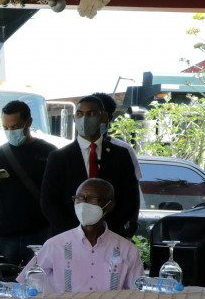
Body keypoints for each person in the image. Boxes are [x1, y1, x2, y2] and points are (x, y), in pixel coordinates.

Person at [40, 94, 140, 239]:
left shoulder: (120, 155)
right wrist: (77, 232)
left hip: (109, 236)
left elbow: (129, 198)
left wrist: (103, 231)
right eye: (80, 114)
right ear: (74, 118)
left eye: (91, 113)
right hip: (68, 237)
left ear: (103, 117)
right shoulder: (59, 157)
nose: (84, 119)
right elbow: (49, 202)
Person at [20, 178, 143, 291]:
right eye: (79, 198)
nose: (83, 204)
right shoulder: (55, 245)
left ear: (109, 205)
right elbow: (26, 286)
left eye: (92, 199)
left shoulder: (127, 249)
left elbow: (138, 293)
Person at [0, 100, 55, 266]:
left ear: (29, 122)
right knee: (2, 280)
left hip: (40, 234)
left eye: (15, 126)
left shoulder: (49, 152)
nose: (10, 132)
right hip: (3, 236)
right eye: (6, 128)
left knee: (41, 279)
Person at [95, 92, 143, 180]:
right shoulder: (73, 151)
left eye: (101, 116)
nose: (94, 120)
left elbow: (133, 183)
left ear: (109, 118)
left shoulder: (124, 149)